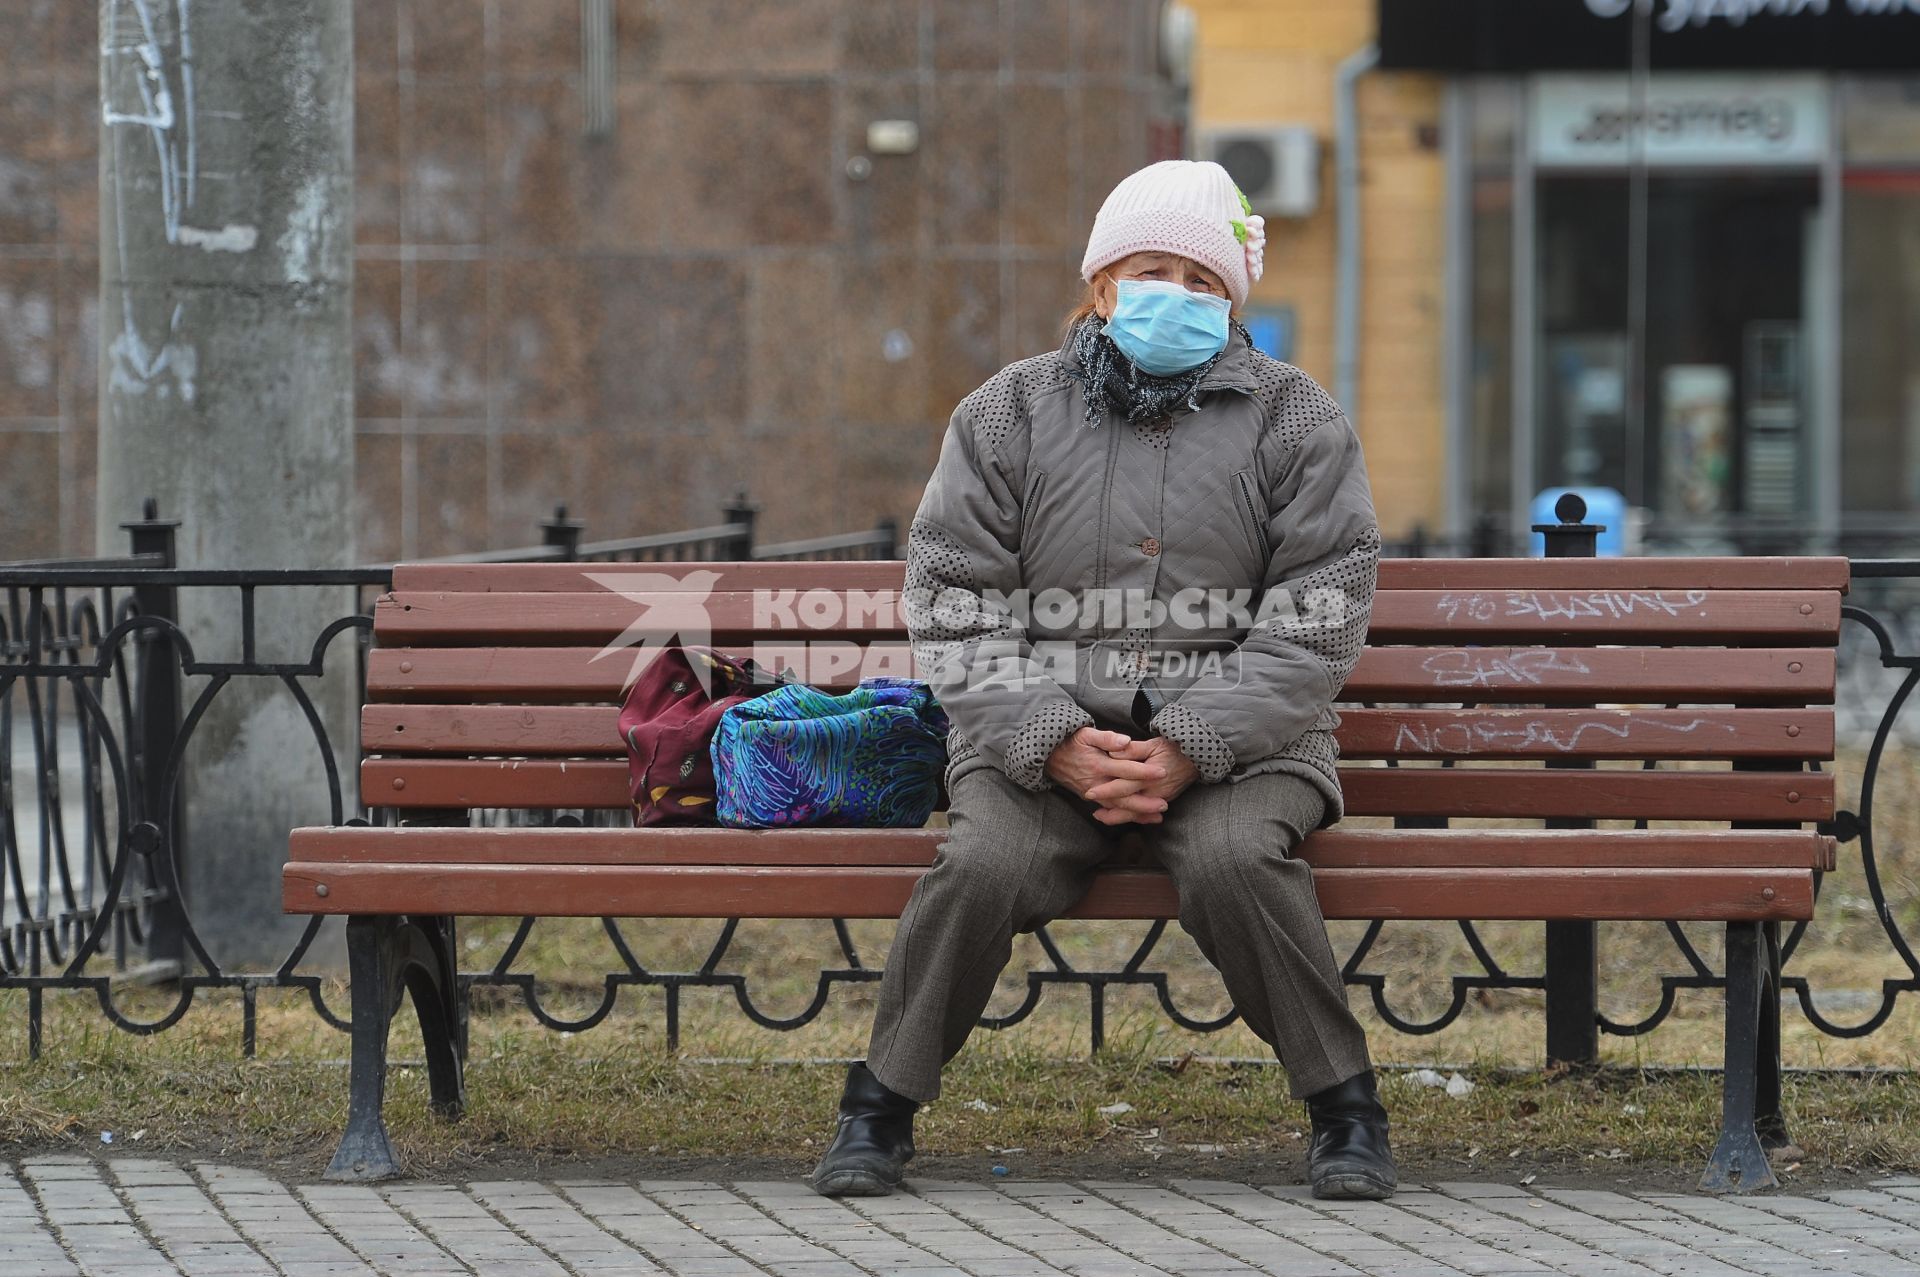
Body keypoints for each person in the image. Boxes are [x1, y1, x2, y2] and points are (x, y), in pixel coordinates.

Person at [808, 159, 1393, 1201]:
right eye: (1152, 268)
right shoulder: (1007, 413)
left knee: (1231, 862)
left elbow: (1322, 601)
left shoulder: (1295, 418)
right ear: (1102, 284)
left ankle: (1347, 1110)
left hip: (1246, 751)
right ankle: (876, 1109)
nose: (1178, 292)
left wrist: (1190, 743)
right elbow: (953, 592)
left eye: (1203, 278)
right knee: (981, 863)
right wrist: (1050, 735)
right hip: (1038, 745)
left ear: (1232, 298)